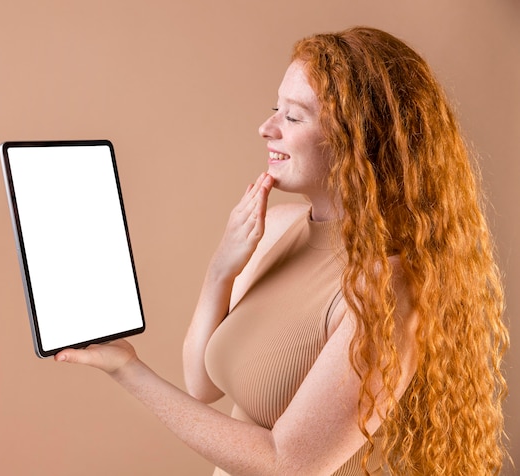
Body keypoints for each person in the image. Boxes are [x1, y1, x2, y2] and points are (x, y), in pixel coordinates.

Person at [55, 26, 509, 475]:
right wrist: (221, 271)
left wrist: (129, 371)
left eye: (293, 117)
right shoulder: (273, 227)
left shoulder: (385, 287)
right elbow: (203, 384)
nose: (266, 128)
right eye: (276, 109)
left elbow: (287, 463)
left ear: (360, 139)